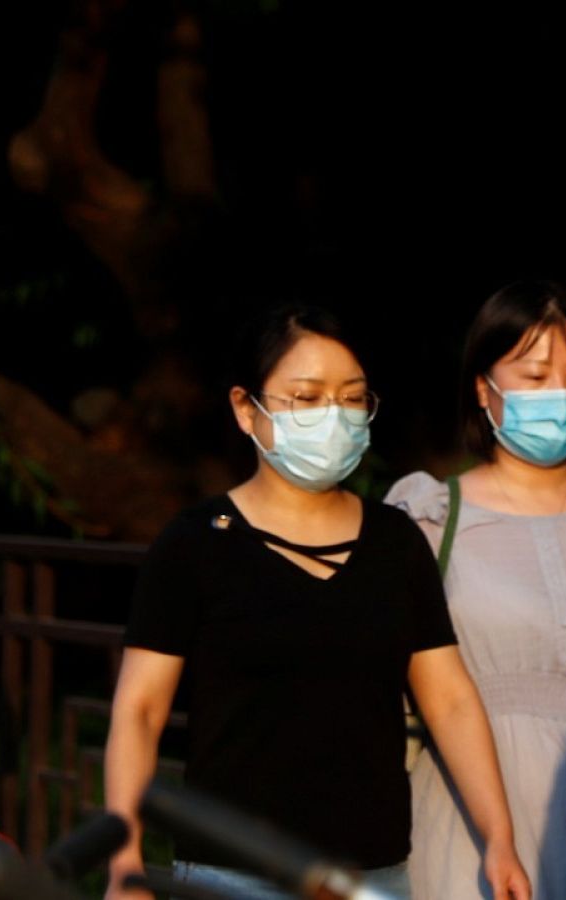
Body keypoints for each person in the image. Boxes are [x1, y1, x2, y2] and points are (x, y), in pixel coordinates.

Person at [104, 304, 530, 900]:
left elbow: (451, 700)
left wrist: (500, 838)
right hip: (230, 875)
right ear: (245, 409)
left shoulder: (395, 541)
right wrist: (123, 858)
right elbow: (139, 711)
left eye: (351, 398)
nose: (333, 415)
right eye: (307, 398)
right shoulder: (195, 543)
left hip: (371, 874)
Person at [387, 281, 566, 900]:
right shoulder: (428, 518)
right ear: (483, 389)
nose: (560, 393)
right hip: (470, 820)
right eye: (536, 376)